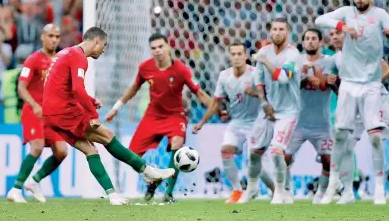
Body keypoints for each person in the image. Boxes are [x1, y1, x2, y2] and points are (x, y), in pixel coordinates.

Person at [42, 27, 174, 205]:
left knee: (91, 150)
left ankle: (113, 195)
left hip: (50, 114)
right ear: (96, 40)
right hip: (64, 111)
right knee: (108, 136)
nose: (103, 50)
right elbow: (77, 88)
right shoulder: (79, 57)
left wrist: (89, 99)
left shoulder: (65, 52)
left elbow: (61, 85)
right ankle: (147, 172)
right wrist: (92, 114)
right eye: (103, 45)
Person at [315, 0, 389, 205]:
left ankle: (380, 188)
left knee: (375, 138)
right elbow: (319, 20)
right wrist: (343, 27)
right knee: (341, 136)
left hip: (372, 85)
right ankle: (335, 182)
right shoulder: (346, 13)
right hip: (349, 86)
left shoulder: (381, 15)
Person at [105, 33, 212, 204]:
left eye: (161, 47)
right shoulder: (145, 68)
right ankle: (154, 178)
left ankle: (168, 193)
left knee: (177, 144)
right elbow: (133, 88)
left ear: (168, 47)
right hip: (152, 116)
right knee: (131, 154)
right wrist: (116, 108)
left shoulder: (181, 69)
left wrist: (215, 106)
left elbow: (199, 93)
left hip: (175, 116)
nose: (158, 51)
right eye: (154, 48)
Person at [193, 41, 275, 203]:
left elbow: (270, 96)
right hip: (237, 122)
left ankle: (275, 190)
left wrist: (256, 94)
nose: (237, 57)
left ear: (245, 56)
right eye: (233, 54)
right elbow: (216, 102)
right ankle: (237, 190)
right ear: (229, 56)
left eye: (240, 54)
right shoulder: (225, 76)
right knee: (225, 150)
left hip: (256, 123)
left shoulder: (255, 74)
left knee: (255, 162)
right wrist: (201, 123)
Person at [239, 17, 302, 204]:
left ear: (288, 33)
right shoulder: (264, 51)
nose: (277, 32)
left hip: (288, 111)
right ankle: (251, 188)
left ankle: (280, 192)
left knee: (276, 150)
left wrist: (265, 61)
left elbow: (283, 78)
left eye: (281, 29)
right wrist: (264, 103)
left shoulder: (293, 55)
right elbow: (258, 81)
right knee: (254, 152)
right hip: (268, 110)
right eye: (274, 29)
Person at [7, 24, 66, 203]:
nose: (54, 39)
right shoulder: (33, 59)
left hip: (52, 114)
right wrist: (34, 105)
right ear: (42, 37)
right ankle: (16, 189)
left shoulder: (61, 60)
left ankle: (34, 181)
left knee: (62, 151)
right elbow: (21, 87)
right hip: (33, 111)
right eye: (50, 35)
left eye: (57, 36)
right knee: (37, 147)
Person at [283, 28, 335, 204]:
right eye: (307, 39)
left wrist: (318, 75)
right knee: (284, 158)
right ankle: (287, 191)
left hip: (322, 123)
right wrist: (304, 78)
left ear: (321, 42)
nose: (310, 41)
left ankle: (321, 193)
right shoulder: (295, 61)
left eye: (314, 38)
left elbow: (327, 85)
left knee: (328, 161)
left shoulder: (329, 62)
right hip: (298, 122)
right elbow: (286, 87)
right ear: (303, 42)